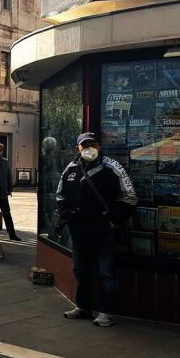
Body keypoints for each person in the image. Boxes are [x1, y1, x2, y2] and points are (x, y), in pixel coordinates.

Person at [58, 132, 137, 327]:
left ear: (99, 146)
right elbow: (60, 196)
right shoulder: (71, 168)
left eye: (91, 144)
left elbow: (130, 197)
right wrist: (69, 217)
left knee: (106, 272)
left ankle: (105, 312)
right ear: (78, 148)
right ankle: (83, 307)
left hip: (104, 230)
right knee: (80, 270)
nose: (88, 148)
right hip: (80, 231)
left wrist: (112, 219)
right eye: (84, 145)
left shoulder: (113, 167)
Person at [0, 143, 21, 241]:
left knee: (7, 213)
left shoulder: (5, 162)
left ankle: (12, 234)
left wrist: (10, 189)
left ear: (2, 152)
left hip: (1, 192)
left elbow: (8, 176)